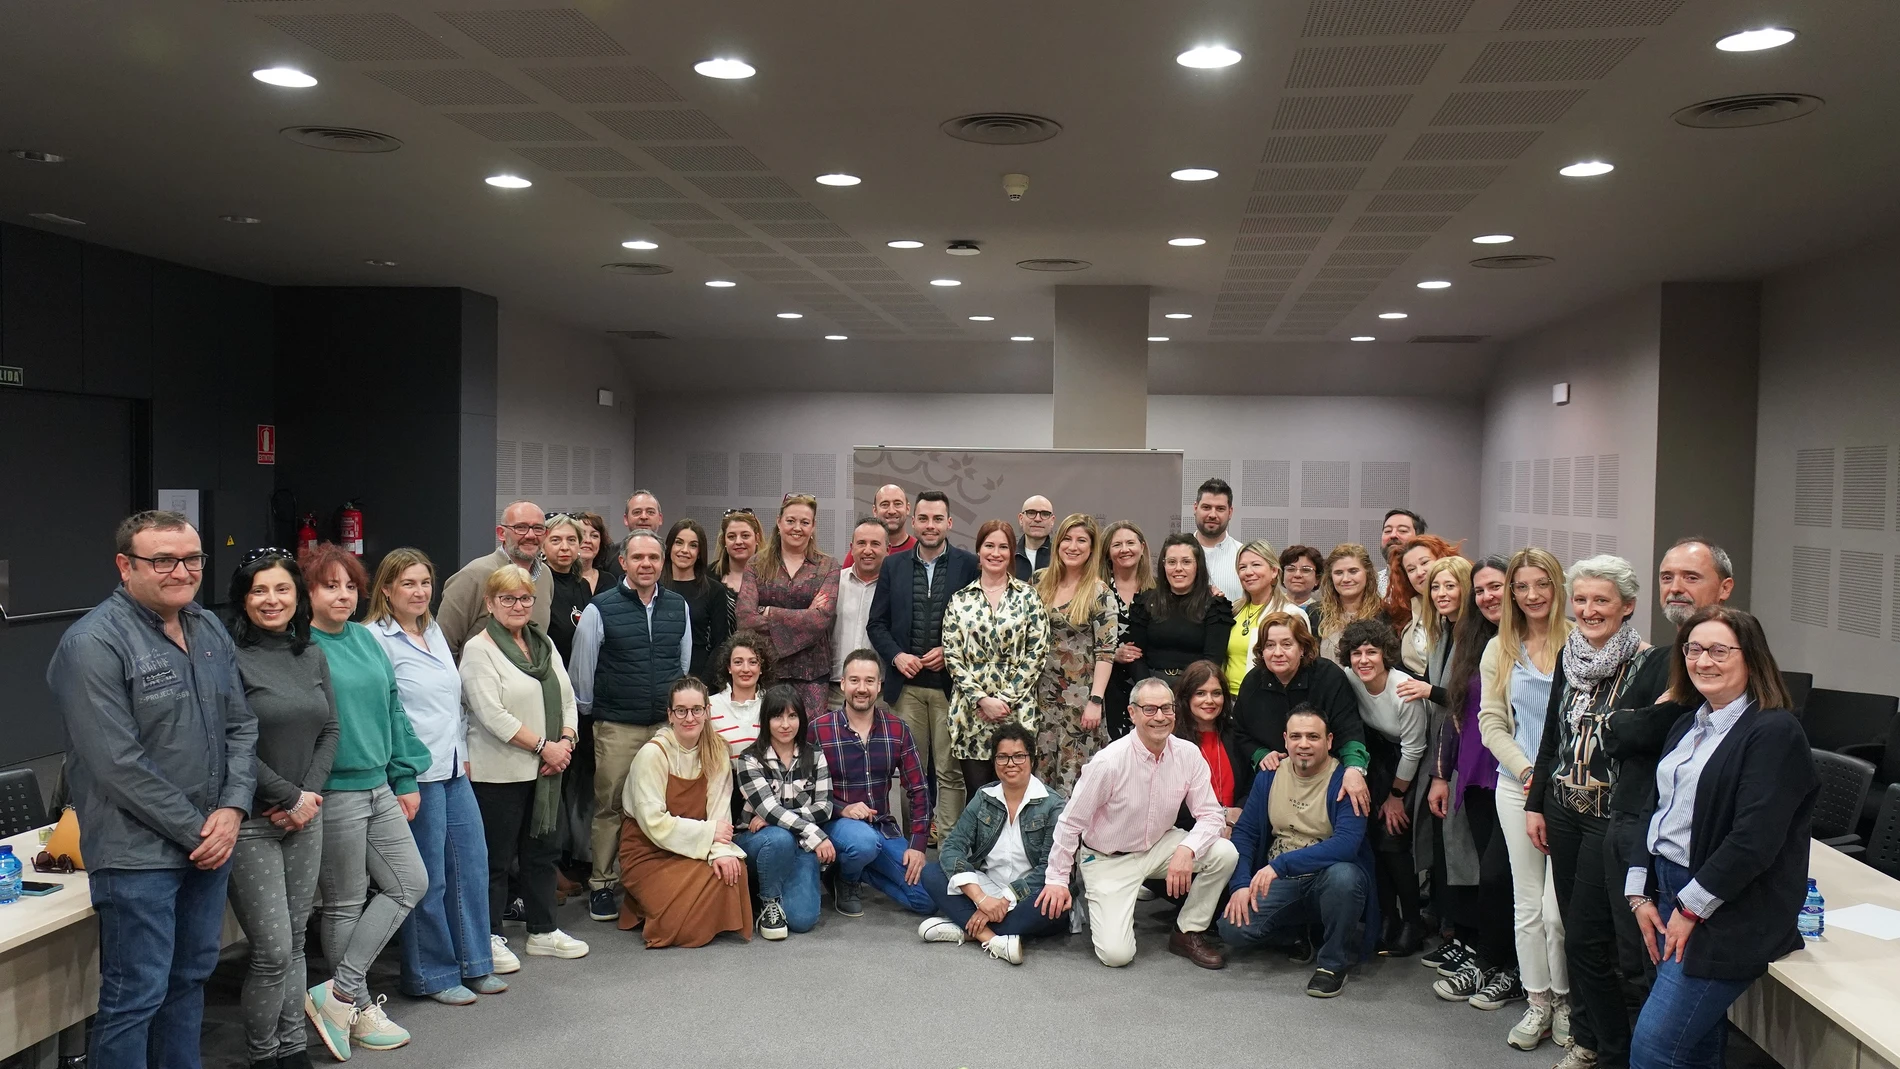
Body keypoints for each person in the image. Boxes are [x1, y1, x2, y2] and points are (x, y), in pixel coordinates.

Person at [48, 512, 258, 1069]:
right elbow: (118, 764)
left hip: (210, 842)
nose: (181, 571)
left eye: (192, 558)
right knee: (134, 996)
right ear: (126, 565)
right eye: (162, 560)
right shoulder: (92, 643)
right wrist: (201, 830)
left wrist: (234, 809)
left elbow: (241, 725)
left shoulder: (207, 627)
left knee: (190, 980)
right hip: (137, 853)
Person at [1624, 608, 1817, 1069]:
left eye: (1718, 650)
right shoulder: (1690, 722)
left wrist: (1690, 909)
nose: (1702, 661)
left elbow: (1753, 840)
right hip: (1667, 892)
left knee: (1654, 1049)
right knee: (1695, 1047)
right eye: (1693, 649)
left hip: (1725, 909)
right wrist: (1638, 890)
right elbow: (1655, 808)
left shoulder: (1773, 731)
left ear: (1750, 658)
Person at [1524, 555, 1672, 1069]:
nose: (1588, 610)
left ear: (1627, 606)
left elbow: (1647, 738)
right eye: (1581, 599)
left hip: (1611, 818)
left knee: (1595, 939)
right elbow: (1552, 737)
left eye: (1601, 600)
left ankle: (1612, 1050)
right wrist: (1536, 802)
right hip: (1562, 809)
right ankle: (1587, 1034)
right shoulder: (1569, 655)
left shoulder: (1655, 664)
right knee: (1571, 929)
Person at [300, 542, 430, 1059]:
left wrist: (404, 776)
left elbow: (394, 709)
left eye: (350, 585)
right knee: (346, 902)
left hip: (378, 784)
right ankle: (348, 1005)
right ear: (307, 592)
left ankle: (340, 994)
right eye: (330, 585)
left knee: (409, 883)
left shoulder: (364, 638)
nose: (342, 595)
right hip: (333, 793)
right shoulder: (302, 648)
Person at [365, 548, 503, 1005]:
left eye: (424, 582)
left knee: (470, 867)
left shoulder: (435, 631)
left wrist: (462, 751)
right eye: (407, 583)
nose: (419, 591)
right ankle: (432, 973)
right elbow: (384, 714)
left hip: (452, 767)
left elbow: (452, 699)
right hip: (414, 774)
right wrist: (400, 774)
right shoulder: (375, 639)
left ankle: (474, 963)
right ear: (386, 589)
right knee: (430, 879)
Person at [1038, 677, 1240, 969]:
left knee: (1224, 853)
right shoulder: (1108, 762)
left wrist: (1188, 850)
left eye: (1166, 709)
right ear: (1132, 713)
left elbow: (1210, 815)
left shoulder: (1188, 754)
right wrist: (1057, 879)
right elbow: (1070, 823)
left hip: (1159, 844)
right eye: (1150, 709)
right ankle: (1105, 901)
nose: (1160, 717)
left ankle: (1187, 931)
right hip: (1109, 859)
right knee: (1117, 956)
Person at [225, 549, 336, 1069]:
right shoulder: (227, 656)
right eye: (259, 591)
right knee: (270, 951)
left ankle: (293, 1051)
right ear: (243, 599)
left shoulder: (309, 652)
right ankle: (262, 1056)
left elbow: (330, 729)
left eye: (282, 590)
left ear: (298, 596)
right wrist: (287, 797)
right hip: (250, 822)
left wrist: (308, 797)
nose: (272, 600)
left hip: (305, 816)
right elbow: (231, 742)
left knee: (295, 944)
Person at [461, 565, 590, 963]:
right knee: (496, 861)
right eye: (508, 598)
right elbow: (491, 714)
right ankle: (490, 936)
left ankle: (543, 930)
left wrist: (566, 741)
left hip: (547, 772)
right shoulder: (479, 649)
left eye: (525, 598)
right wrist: (544, 747)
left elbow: (567, 698)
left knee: (542, 856)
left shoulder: (543, 644)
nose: (518, 606)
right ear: (490, 603)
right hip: (498, 773)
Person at [1478, 547, 1576, 1052]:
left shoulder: (1580, 642)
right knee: (1527, 904)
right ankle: (1538, 1002)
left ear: (1557, 587)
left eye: (1542, 584)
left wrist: (1553, 776)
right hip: (1518, 786)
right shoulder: (1501, 647)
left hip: (1571, 791)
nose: (1532, 595)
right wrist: (1527, 769)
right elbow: (1491, 723)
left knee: (1559, 909)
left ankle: (1565, 1000)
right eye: (1522, 587)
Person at [568, 528, 691, 922]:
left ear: (662, 562)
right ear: (623, 562)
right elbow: (581, 674)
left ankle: (651, 878)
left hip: (663, 728)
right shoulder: (599, 608)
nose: (646, 565)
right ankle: (603, 884)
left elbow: (682, 664)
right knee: (610, 806)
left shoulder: (678, 606)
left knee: (660, 805)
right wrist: (592, 716)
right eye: (638, 558)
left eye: (653, 558)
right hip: (617, 725)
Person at [1217, 705, 1377, 998]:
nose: (1304, 744)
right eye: (1296, 736)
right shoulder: (1269, 777)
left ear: (1329, 741)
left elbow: (1346, 844)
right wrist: (1240, 884)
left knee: (1346, 877)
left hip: (1325, 880)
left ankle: (1332, 964)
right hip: (1282, 883)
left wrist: (1281, 865)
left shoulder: (1347, 781)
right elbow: (1247, 833)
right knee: (1232, 929)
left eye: (1313, 737)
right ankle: (1297, 933)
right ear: (1285, 740)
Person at [1420, 557, 1521, 1012]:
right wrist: (1442, 774)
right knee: (1489, 876)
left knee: (1506, 877)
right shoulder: (1473, 640)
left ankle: (1510, 966)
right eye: (1480, 590)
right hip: (1476, 775)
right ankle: (1495, 962)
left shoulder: (1537, 642)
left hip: (1519, 777)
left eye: (1496, 587)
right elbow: (1455, 714)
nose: (1487, 597)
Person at [868, 490, 982, 834]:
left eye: (937, 519)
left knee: (950, 771)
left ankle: (948, 846)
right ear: (913, 521)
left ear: (949, 523)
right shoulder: (893, 564)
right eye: (924, 519)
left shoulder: (968, 564)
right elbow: (877, 623)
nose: (930, 526)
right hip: (908, 690)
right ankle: (911, 841)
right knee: (911, 771)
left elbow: (979, 624)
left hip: (953, 688)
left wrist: (950, 652)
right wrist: (897, 656)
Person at [918, 721, 1071, 964]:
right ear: (994, 761)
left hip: (1030, 892)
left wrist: (1003, 900)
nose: (1011, 764)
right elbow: (952, 847)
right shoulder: (984, 797)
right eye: (1002, 757)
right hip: (989, 887)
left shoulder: (1053, 805)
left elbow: (1048, 868)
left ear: (1031, 758)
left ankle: (968, 929)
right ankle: (992, 937)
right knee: (930, 873)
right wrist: (981, 898)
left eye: (1019, 756)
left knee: (1055, 906)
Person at [616, 677, 752, 946]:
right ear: (670, 715)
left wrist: (722, 852)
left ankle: (685, 913)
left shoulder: (717, 751)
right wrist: (710, 832)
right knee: (679, 916)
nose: (689, 717)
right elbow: (653, 823)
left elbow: (719, 812)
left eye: (696, 710)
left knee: (733, 870)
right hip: (647, 850)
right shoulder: (652, 754)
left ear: (707, 712)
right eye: (681, 710)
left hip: (693, 845)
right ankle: (667, 916)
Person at [810, 650, 937, 916]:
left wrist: (917, 846)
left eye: (869, 681)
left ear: (879, 686)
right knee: (863, 842)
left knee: (926, 899)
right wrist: (841, 808)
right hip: (836, 825)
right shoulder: (819, 729)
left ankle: (851, 870)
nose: (861, 688)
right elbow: (804, 789)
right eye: (854, 680)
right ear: (842, 683)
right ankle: (846, 879)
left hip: (881, 828)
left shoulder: (897, 729)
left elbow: (918, 789)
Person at [1338, 618, 1430, 957]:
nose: (1363, 660)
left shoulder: (1403, 690)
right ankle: (1387, 917)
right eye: (1357, 653)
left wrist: (1396, 797)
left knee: (1394, 840)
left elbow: (1414, 749)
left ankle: (1413, 922)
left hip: (1410, 765)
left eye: (1372, 652)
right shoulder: (1349, 677)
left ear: (1385, 655)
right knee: (1375, 842)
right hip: (1375, 758)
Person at [943, 520, 1050, 795]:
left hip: (1016, 710)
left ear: (1012, 552)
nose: (995, 552)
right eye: (989, 545)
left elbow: (1037, 652)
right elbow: (952, 656)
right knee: (979, 797)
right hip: (971, 713)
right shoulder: (959, 600)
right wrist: (982, 700)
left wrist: (1003, 700)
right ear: (978, 550)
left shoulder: (1029, 597)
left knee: (1016, 794)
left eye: (1003, 547)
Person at [1231, 610, 1373, 816]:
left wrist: (1355, 769)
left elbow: (1350, 729)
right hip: (1274, 777)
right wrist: (1260, 754)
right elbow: (1239, 731)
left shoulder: (1328, 676)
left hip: (1325, 777)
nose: (1277, 652)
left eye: (1287, 644)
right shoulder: (1253, 682)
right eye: (1270, 645)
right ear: (1261, 651)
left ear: (1303, 648)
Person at [733, 685, 835, 939]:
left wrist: (774, 819)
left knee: (802, 919)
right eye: (777, 716)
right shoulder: (749, 760)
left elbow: (825, 807)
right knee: (778, 837)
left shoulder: (815, 757)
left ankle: (774, 891)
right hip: (757, 843)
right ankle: (768, 902)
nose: (785, 724)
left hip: (801, 844)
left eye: (792, 716)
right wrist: (814, 832)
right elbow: (768, 808)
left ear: (801, 718)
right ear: (766, 721)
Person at [1033, 513, 1118, 795]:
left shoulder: (1099, 592)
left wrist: (1095, 700)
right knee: (1040, 769)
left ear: (1092, 548)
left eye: (1082, 540)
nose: (1073, 546)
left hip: (1080, 701)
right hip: (1040, 697)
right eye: (1067, 539)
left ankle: (1072, 839)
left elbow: (1106, 652)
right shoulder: (1039, 582)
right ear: (1057, 544)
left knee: (1074, 775)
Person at [738, 493, 840, 717]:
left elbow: (820, 619)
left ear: (813, 527)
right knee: (768, 737)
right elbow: (745, 618)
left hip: (812, 674)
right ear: (778, 522)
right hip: (768, 670)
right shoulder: (756, 564)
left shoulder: (828, 566)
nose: (797, 527)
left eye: (805, 522)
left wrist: (769, 612)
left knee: (810, 741)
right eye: (791, 520)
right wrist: (805, 615)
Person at [438, 500, 552, 657]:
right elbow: (444, 646)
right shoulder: (473, 576)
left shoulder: (546, 575)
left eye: (538, 528)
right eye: (521, 528)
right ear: (501, 533)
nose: (531, 535)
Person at [1128, 534, 1235, 683]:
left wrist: (1189, 692)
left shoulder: (1215, 607)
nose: (1178, 568)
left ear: (1198, 565)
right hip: (1150, 687)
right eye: (1171, 562)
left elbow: (1212, 662)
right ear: (1163, 565)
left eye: (1186, 562)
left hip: (1195, 688)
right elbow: (1135, 657)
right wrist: (1150, 689)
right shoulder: (1145, 602)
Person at [1174, 661, 1252, 830]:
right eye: (1200, 693)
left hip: (1236, 828)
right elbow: (1172, 802)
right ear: (1186, 698)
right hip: (1188, 832)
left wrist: (1233, 819)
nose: (1209, 701)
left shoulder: (1236, 735)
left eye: (1216, 693)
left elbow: (1249, 784)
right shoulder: (1173, 742)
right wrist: (1222, 814)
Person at [1101, 520, 1155, 740]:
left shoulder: (1158, 590)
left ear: (1142, 547)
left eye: (1130, 543)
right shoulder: (1097, 590)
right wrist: (1113, 654)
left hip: (1147, 686)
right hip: (1107, 686)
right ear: (1107, 552)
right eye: (1117, 544)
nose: (1125, 549)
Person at [661, 518, 729, 685]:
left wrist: (703, 683)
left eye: (693, 545)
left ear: (700, 552)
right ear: (669, 547)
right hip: (660, 675)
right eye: (679, 543)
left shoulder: (714, 590)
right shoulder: (655, 587)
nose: (685, 550)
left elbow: (720, 644)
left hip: (700, 675)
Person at [1382, 534, 1463, 675]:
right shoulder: (1405, 612)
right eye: (1411, 569)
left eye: (1425, 563)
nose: (1420, 573)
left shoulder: (1467, 610)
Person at [1225, 539, 1296, 697]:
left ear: (1274, 571)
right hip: (1228, 701)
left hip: (1267, 698)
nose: (1248, 572)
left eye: (1256, 565)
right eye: (1242, 567)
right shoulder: (1233, 611)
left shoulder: (1290, 613)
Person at [830, 517, 888, 706]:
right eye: (861, 543)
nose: (867, 550)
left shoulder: (897, 588)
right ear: (851, 547)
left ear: (888, 550)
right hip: (836, 690)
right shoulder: (832, 583)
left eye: (875, 544)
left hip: (881, 693)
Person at [1317, 543, 1384, 664]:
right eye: (1338, 573)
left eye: (1353, 571)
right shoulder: (1316, 614)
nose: (1346, 579)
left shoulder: (1385, 614)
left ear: (1367, 573)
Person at [709, 630, 774, 755]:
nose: (745, 669)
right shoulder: (710, 706)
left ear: (761, 668)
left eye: (753, 662)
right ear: (729, 667)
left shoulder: (772, 703)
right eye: (738, 662)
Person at [542, 515, 591, 662]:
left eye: (571, 540)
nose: (565, 547)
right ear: (542, 547)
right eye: (556, 540)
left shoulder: (583, 585)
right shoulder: (537, 585)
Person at [1190, 477, 1244, 601]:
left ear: (1230, 512)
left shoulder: (1243, 556)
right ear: (1195, 508)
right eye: (1206, 507)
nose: (1212, 515)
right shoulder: (1177, 555)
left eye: (1220, 509)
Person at [715, 509, 765, 632]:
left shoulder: (775, 577)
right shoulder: (708, 577)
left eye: (745, 536)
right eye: (731, 537)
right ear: (724, 541)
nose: (738, 542)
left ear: (757, 538)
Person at [1376, 509, 1426, 594]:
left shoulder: (1431, 579)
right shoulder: (1371, 583)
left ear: (1419, 538)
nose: (1393, 535)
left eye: (1402, 530)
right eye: (1388, 531)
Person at [1014, 495, 1056, 579]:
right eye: (1031, 513)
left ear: (1052, 521)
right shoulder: (1007, 556)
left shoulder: (1060, 557)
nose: (1037, 519)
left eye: (1045, 514)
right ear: (1021, 519)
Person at [872, 482, 916, 555]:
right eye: (885, 504)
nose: (891, 511)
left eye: (898, 504)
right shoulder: (861, 554)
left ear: (907, 509)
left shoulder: (920, 552)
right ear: (875, 511)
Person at [573, 511, 612, 595]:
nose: (588, 540)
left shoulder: (609, 580)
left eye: (594, 536)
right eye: (581, 534)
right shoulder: (561, 580)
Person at [1280, 544, 1325, 611]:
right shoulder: (1269, 608)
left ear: (1317, 579)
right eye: (1291, 569)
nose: (1297, 575)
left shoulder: (1321, 613)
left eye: (1306, 570)